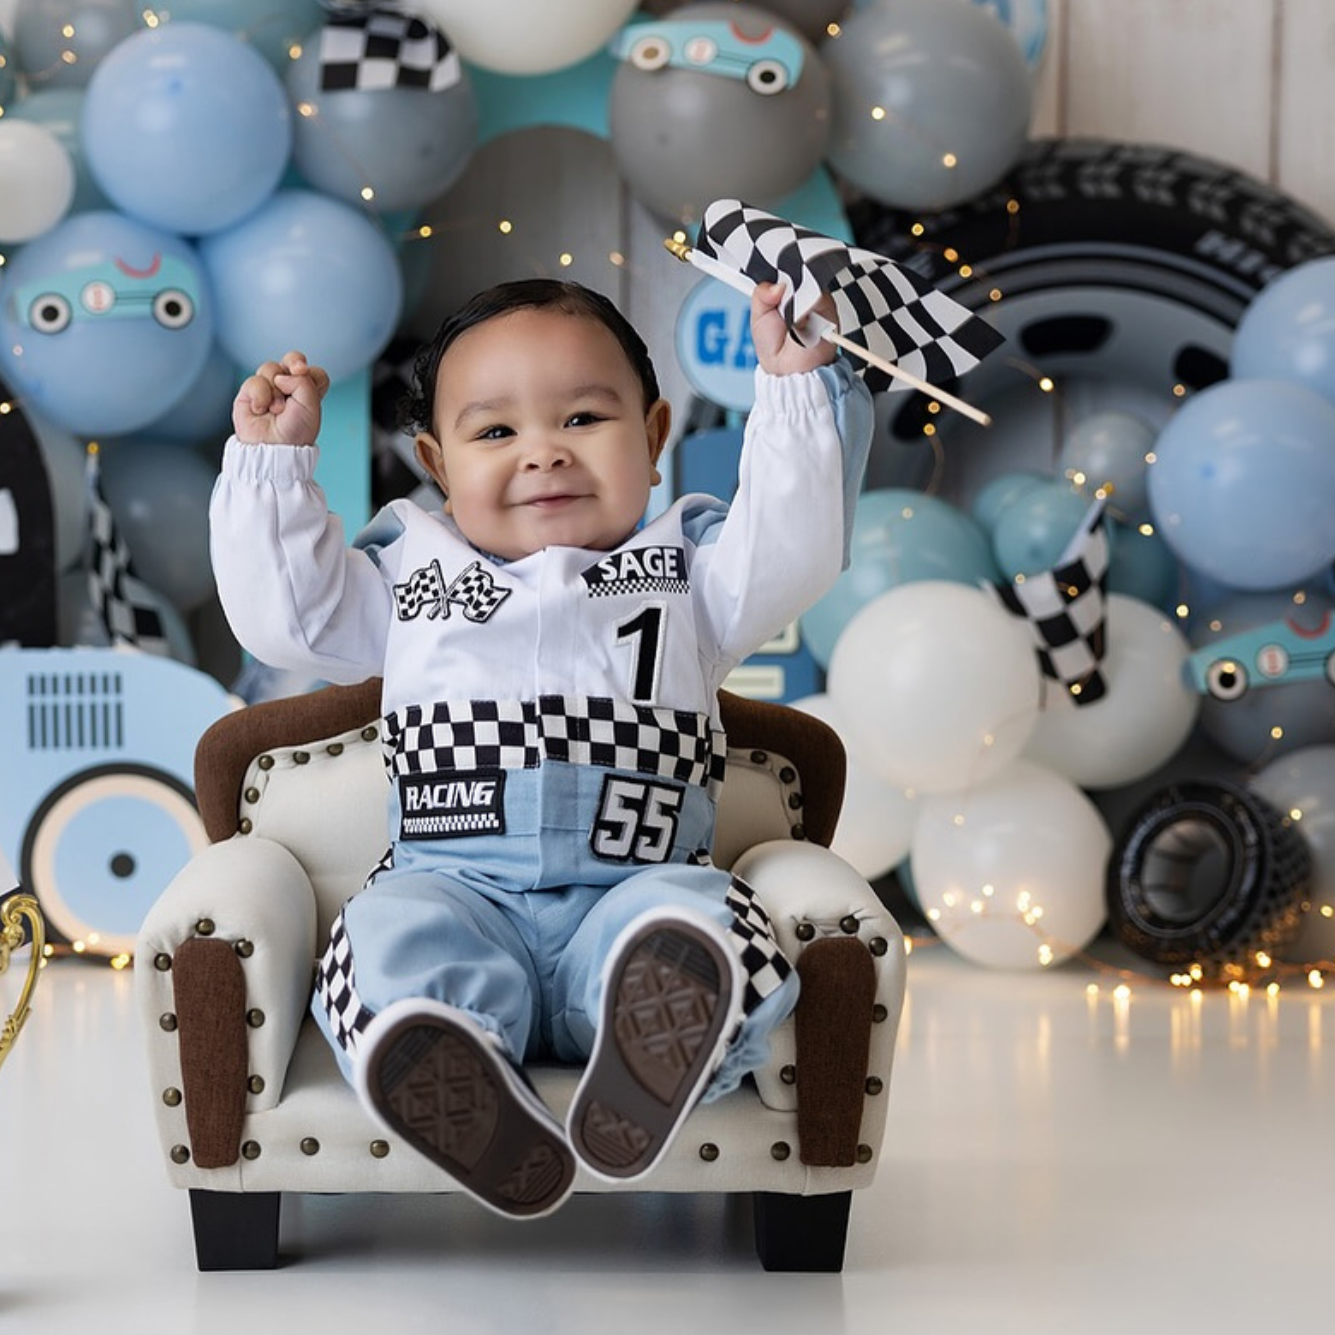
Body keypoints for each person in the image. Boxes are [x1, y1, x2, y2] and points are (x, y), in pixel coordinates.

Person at [210, 277, 872, 1219]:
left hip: (636, 889)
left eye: (583, 417)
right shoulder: (409, 574)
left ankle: (648, 1043)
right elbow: (285, 615)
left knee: (711, 920)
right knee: (385, 936)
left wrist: (797, 386)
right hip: (454, 884)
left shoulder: (694, 575)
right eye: (495, 433)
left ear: (653, 438)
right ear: (437, 463)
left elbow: (797, 544)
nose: (544, 452)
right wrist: (272, 467)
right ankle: (447, 1060)